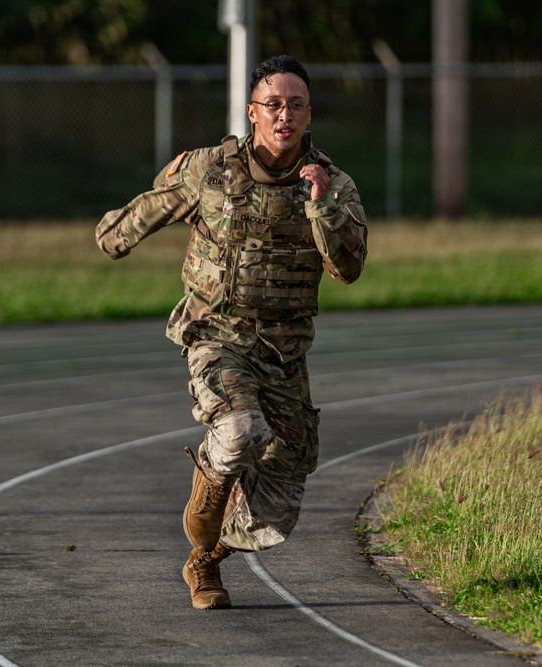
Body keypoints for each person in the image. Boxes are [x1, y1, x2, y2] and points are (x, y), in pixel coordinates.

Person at [95, 54, 368, 610]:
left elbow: (349, 267)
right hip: (217, 336)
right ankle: (209, 495)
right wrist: (115, 236)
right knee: (241, 429)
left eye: (295, 105)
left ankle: (205, 560)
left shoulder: (333, 184)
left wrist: (322, 209)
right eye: (273, 104)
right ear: (252, 112)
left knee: (274, 516)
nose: (284, 115)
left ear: (309, 113)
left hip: (286, 354)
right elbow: (146, 209)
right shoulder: (211, 170)